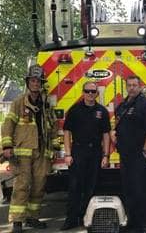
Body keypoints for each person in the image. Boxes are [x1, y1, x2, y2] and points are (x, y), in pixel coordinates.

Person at [1, 65, 60, 233]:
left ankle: (32, 217)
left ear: (41, 84)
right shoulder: (18, 102)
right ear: (28, 82)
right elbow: (8, 124)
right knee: (22, 185)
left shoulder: (46, 103)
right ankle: (17, 222)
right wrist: (7, 145)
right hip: (23, 153)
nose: (35, 84)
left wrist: (55, 146)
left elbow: (53, 126)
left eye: (38, 81)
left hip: (42, 152)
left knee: (39, 186)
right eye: (32, 81)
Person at [60, 81, 111, 231]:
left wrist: (106, 155)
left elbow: (106, 134)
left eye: (93, 91)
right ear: (83, 92)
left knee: (91, 187)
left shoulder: (102, 111)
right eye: (87, 91)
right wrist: (68, 153)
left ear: (97, 93)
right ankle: (71, 219)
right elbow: (67, 132)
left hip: (95, 152)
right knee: (75, 187)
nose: (90, 94)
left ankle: (86, 218)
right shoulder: (74, 110)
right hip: (78, 152)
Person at [115, 75, 146, 233]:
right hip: (125, 155)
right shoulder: (122, 106)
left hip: (139, 154)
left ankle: (145, 223)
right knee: (128, 189)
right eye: (129, 85)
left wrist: (145, 151)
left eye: (135, 85)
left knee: (140, 189)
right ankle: (132, 221)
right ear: (126, 87)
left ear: (140, 87)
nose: (132, 88)